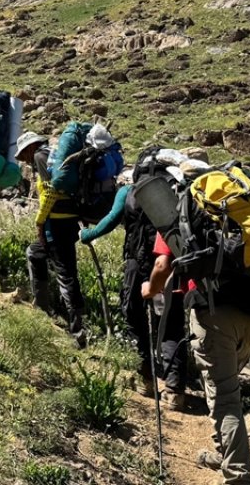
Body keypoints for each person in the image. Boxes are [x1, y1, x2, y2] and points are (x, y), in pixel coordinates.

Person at [141, 192, 250, 485]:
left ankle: (238, 477)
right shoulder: (248, 213)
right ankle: (227, 457)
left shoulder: (186, 212)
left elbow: (163, 266)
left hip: (214, 314)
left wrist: (150, 290)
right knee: (226, 390)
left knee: (224, 399)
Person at [80, 180, 188, 404]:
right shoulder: (176, 191)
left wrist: (88, 235)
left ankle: (146, 378)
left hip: (136, 264)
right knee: (171, 320)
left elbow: (111, 220)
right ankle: (174, 388)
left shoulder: (128, 191)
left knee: (135, 317)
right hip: (169, 262)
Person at [17, 131, 87, 349]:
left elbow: (51, 191)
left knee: (66, 275)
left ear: (30, 147)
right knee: (35, 253)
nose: (25, 160)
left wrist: (39, 220)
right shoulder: (54, 155)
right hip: (67, 221)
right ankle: (43, 307)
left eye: (23, 154)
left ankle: (78, 332)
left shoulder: (40, 157)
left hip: (56, 223)